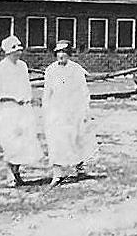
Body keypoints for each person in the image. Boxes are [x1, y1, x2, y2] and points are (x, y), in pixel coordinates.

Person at [0, 35, 42, 187]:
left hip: (23, 110)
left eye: (19, 49)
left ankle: (17, 172)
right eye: (15, 50)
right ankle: (10, 174)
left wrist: (28, 100)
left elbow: (26, 87)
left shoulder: (22, 66)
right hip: (7, 110)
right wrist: (12, 98)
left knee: (23, 143)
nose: (18, 52)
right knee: (10, 142)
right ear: (7, 51)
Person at [43, 40, 97, 187]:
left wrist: (84, 110)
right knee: (57, 141)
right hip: (57, 111)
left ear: (69, 54)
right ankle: (57, 174)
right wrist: (46, 111)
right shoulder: (51, 70)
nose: (61, 55)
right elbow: (47, 93)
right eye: (58, 52)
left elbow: (83, 91)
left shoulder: (76, 69)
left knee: (78, 138)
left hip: (74, 110)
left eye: (64, 52)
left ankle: (80, 169)